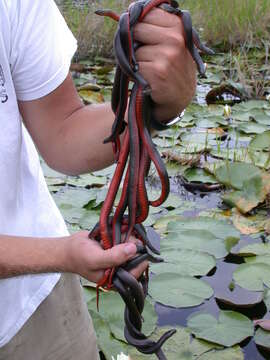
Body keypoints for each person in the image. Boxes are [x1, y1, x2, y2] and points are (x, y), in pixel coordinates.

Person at [0, 0, 196, 359]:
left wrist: (160, 105)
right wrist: (60, 254)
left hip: (37, 304)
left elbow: (63, 130)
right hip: (49, 262)